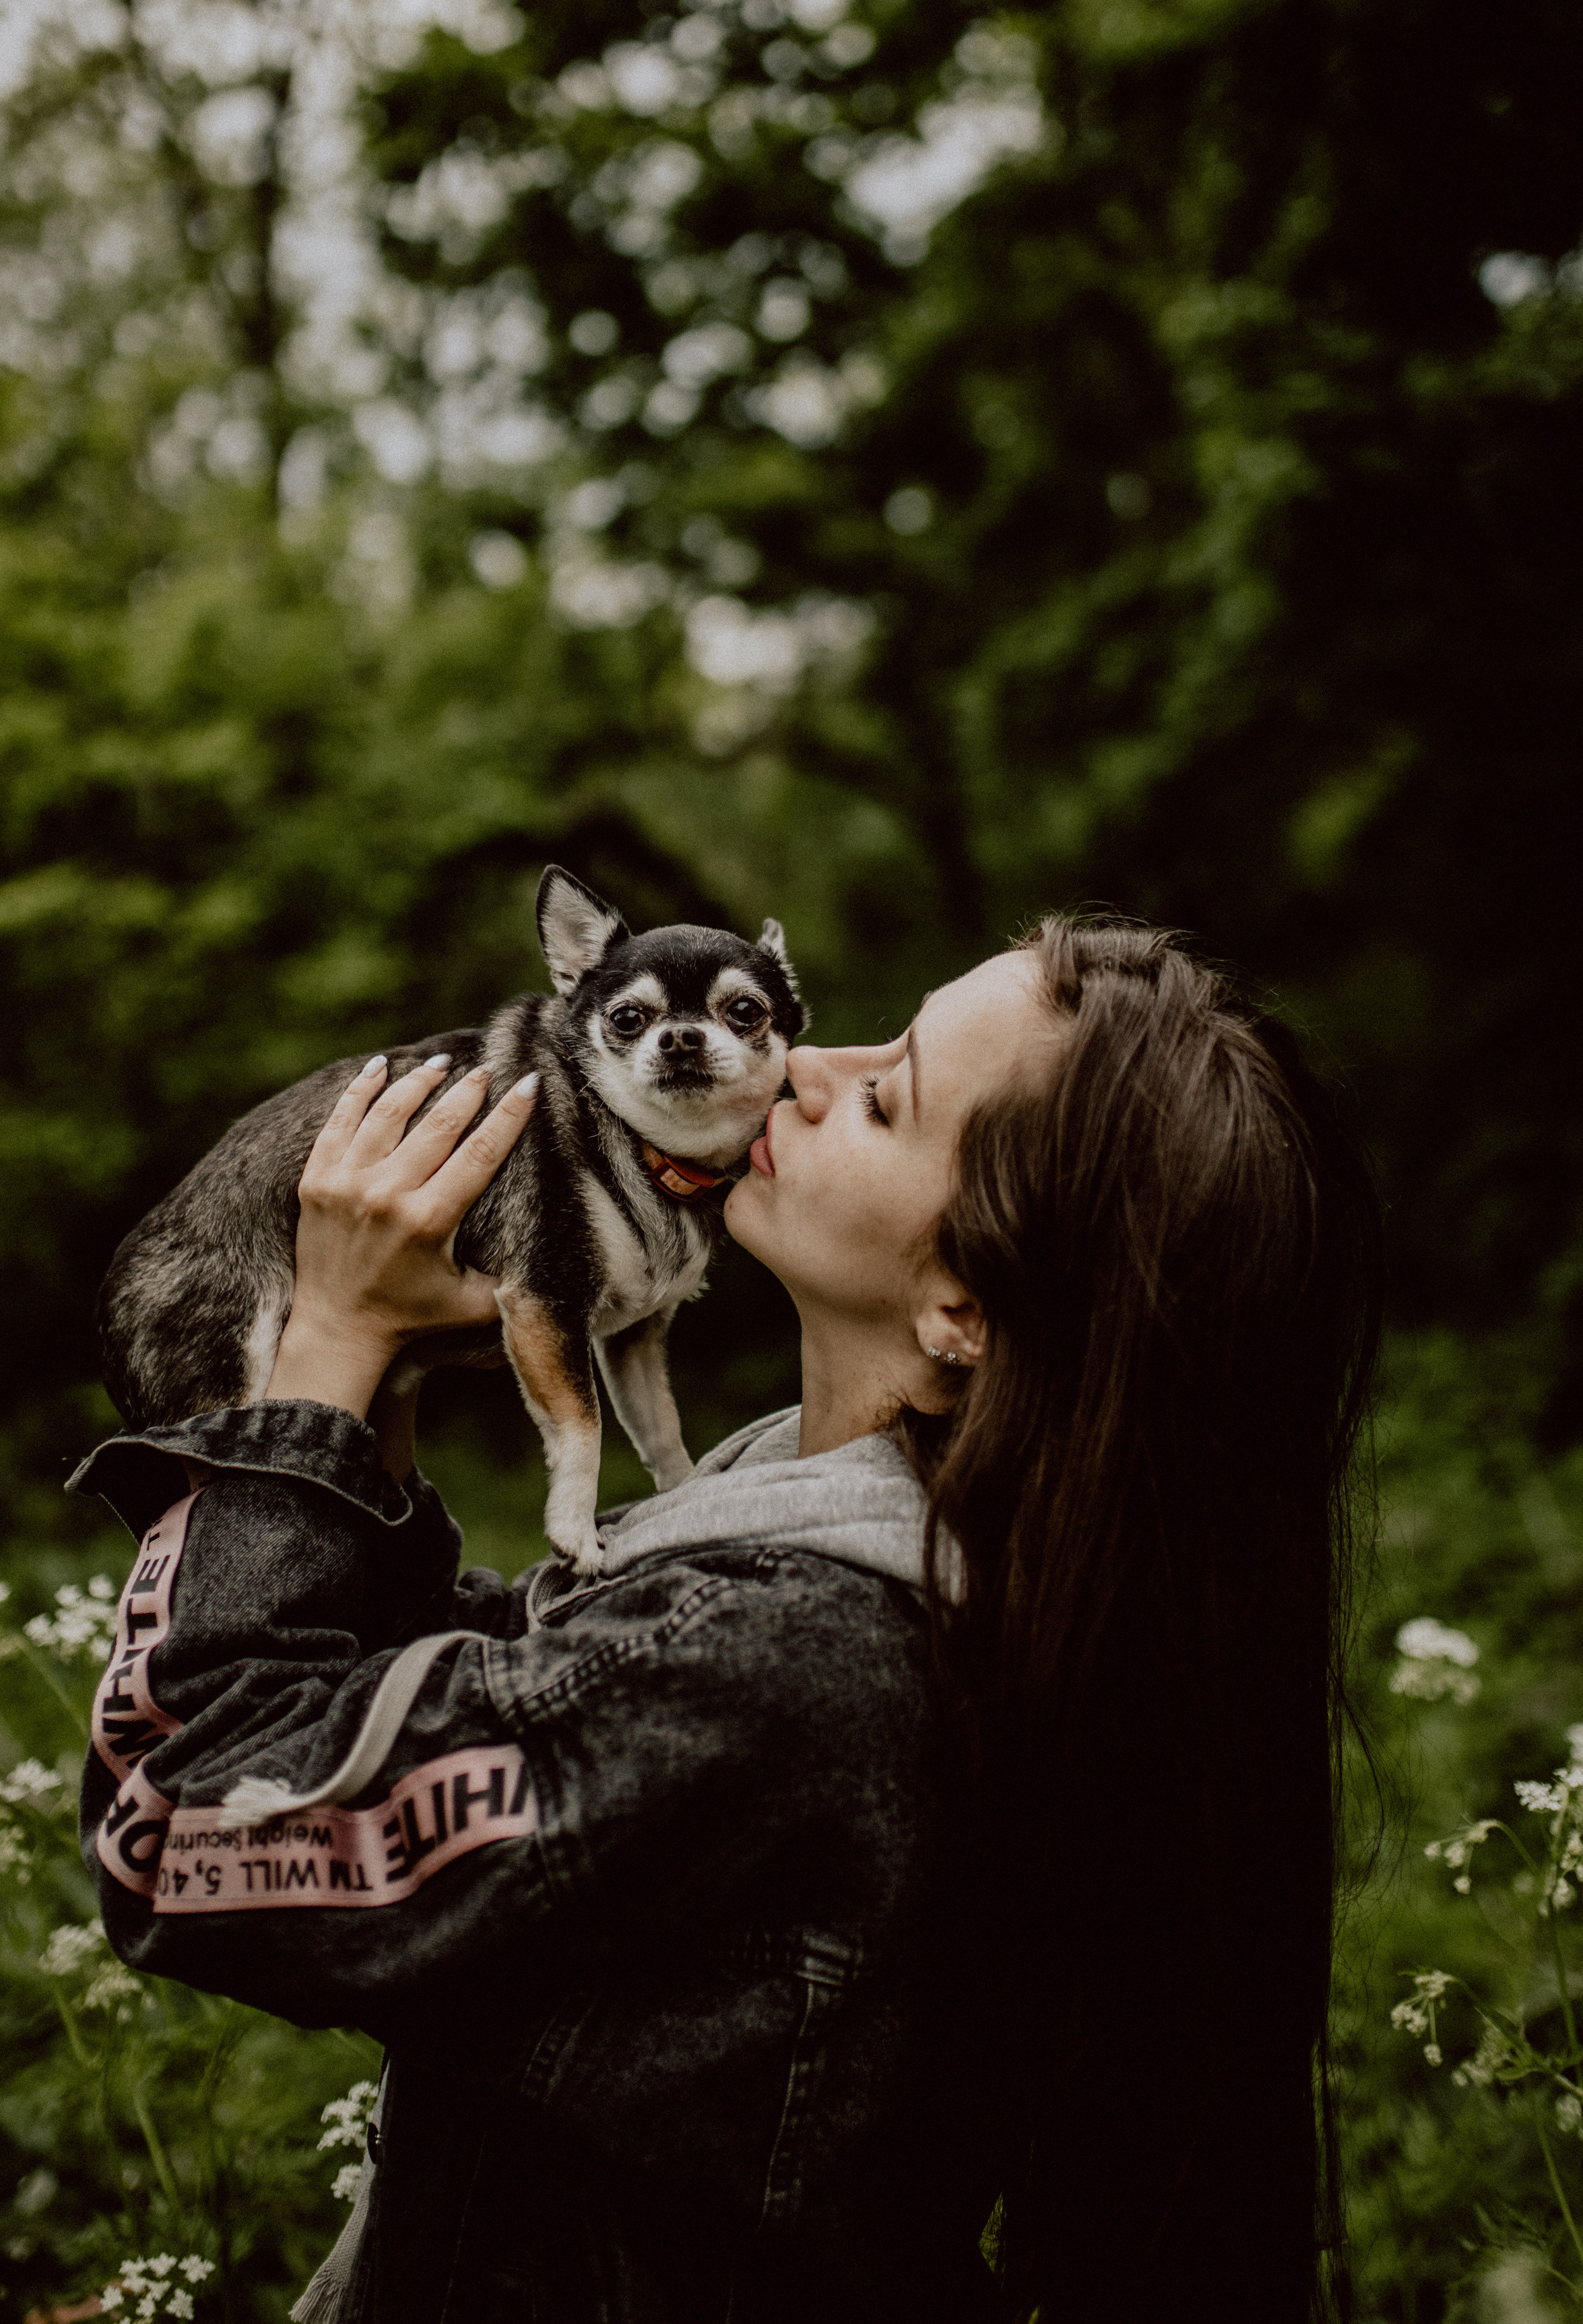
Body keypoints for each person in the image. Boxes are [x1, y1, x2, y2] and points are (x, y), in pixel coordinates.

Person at [72, 915, 1382, 2324]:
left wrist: (319, 1359)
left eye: (886, 1096)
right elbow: (486, 1705)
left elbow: (192, 1829)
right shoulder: (851, 1548)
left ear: (964, 1307)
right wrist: (372, 1396)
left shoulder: (793, 1656)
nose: (806, 1066)